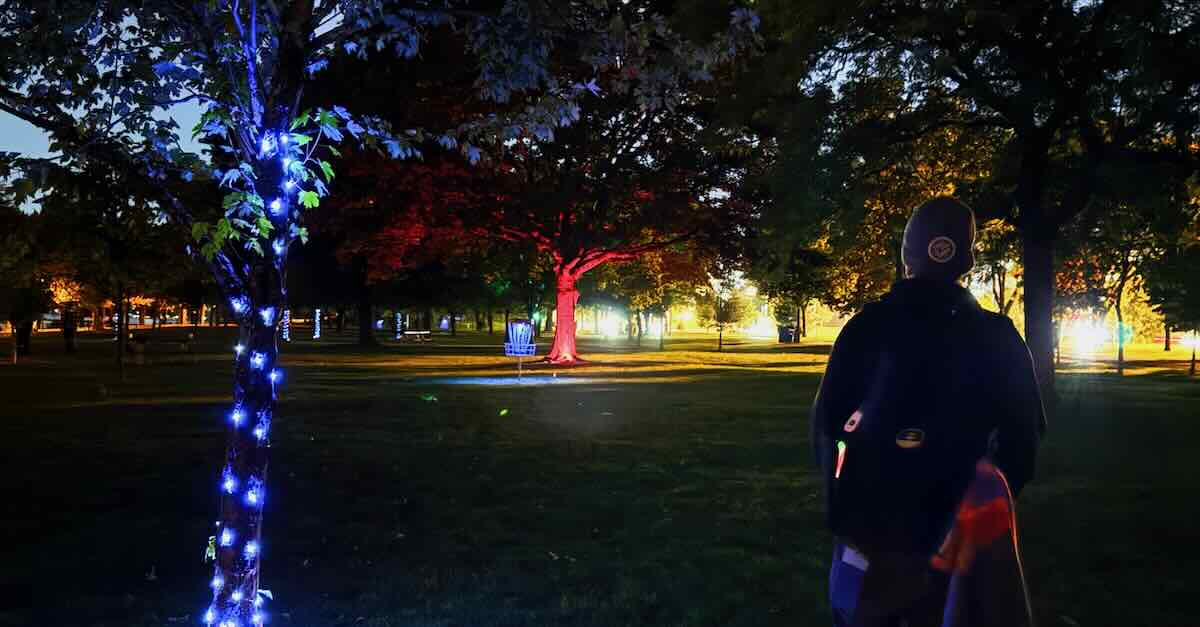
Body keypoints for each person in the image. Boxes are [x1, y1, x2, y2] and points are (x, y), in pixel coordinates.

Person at [810, 197, 1046, 626]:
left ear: (906, 256)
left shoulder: (865, 328)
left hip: (869, 528)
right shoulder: (998, 336)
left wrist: (841, 509)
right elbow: (1022, 442)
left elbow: (827, 425)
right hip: (960, 541)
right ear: (969, 259)